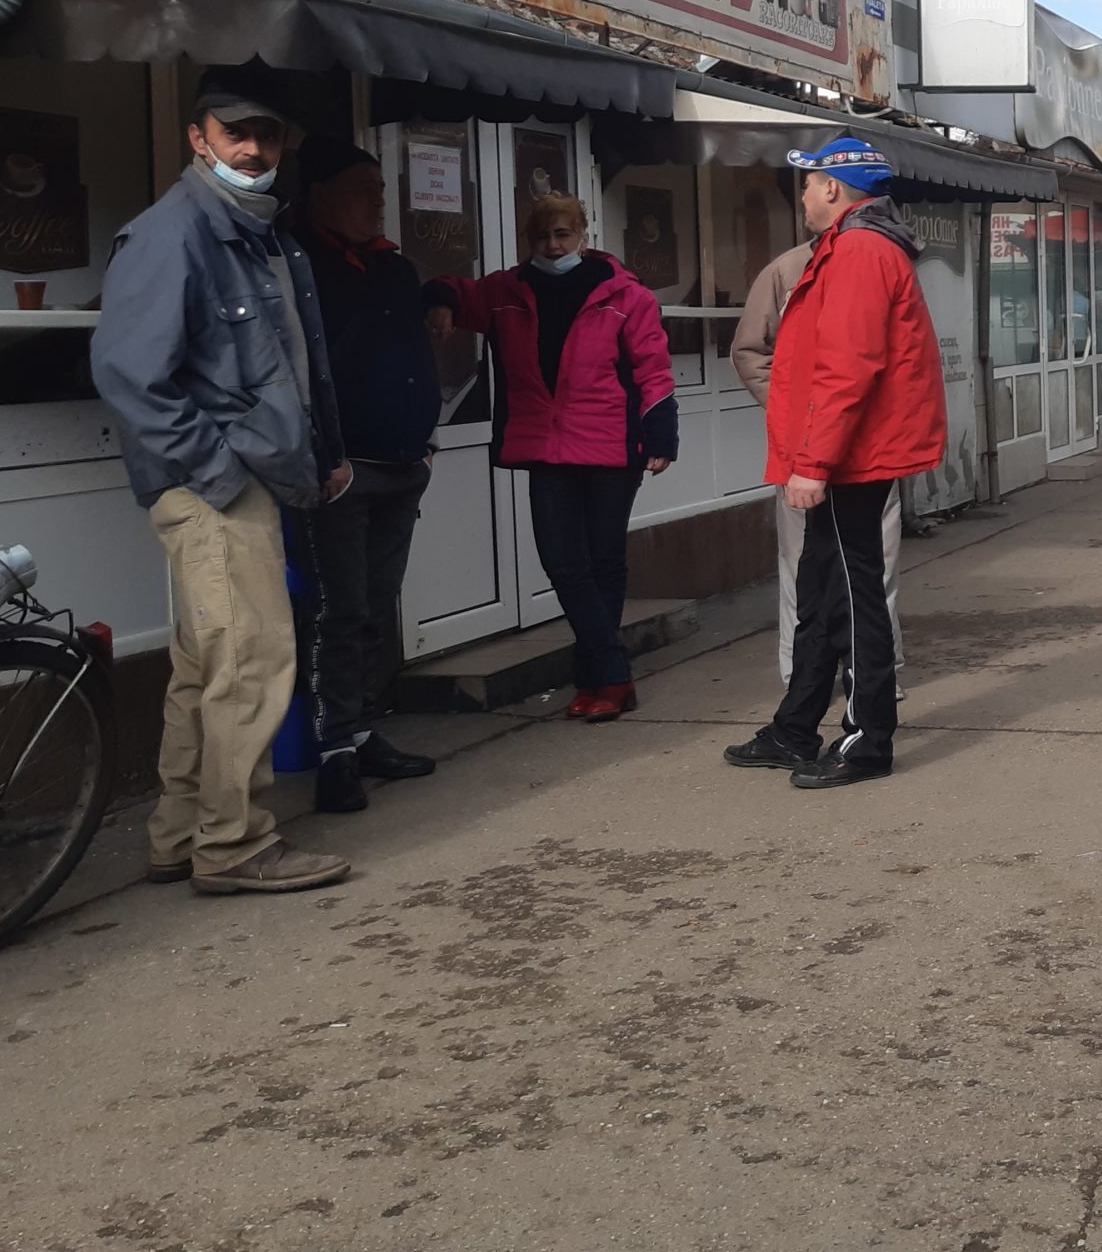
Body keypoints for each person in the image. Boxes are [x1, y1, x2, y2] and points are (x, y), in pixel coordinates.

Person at [90, 66, 352, 895]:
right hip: (212, 485)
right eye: (236, 132)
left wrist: (320, 453)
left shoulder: (258, 231)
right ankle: (235, 845)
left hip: (242, 476)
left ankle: (179, 835)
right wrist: (217, 471)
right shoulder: (173, 234)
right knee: (251, 659)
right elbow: (130, 374)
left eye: (268, 134)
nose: (253, 148)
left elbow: (291, 364)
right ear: (198, 138)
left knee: (209, 663)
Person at [724, 140, 948, 789]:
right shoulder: (854, 245)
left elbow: (848, 367)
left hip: (852, 454)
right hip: (849, 450)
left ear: (832, 188)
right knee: (822, 590)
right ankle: (795, 728)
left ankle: (867, 741)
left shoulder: (859, 250)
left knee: (852, 596)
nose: (802, 195)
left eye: (808, 182)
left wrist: (813, 463)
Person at [426, 193, 677, 718]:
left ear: (583, 235)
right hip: (546, 446)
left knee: (603, 562)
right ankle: (612, 673)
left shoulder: (624, 294)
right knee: (563, 561)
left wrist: (660, 436)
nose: (553, 245)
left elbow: (653, 369)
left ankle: (598, 681)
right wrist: (440, 301)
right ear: (529, 240)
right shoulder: (505, 292)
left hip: (611, 442)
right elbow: (454, 287)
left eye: (563, 234)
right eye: (542, 236)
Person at [285, 137, 441, 812]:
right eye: (362, 190)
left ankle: (364, 730)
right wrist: (324, 457)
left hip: (403, 462)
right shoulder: (297, 263)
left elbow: (414, 350)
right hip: (340, 471)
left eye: (381, 190)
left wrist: (426, 443)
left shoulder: (394, 268)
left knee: (376, 608)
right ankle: (334, 752)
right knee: (338, 612)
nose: (378, 202)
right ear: (320, 195)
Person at [730, 232, 905, 687]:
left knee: (876, 563)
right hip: (807, 451)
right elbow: (750, 350)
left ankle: (874, 675)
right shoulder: (786, 270)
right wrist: (794, 412)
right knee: (803, 564)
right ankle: (801, 675)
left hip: (869, 446)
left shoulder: (881, 262)